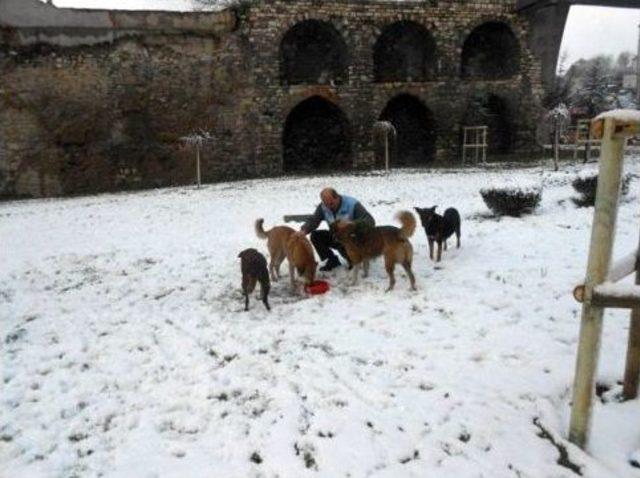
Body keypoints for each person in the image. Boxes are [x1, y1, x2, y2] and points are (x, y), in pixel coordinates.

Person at [294, 187, 375, 272]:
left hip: (352, 240)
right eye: (326, 204)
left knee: (354, 263)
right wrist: (304, 230)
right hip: (337, 237)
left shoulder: (352, 204)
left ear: (337, 197)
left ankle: (355, 259)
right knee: (315, 236)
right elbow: (314, 220)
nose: (329, 207)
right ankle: (332, 261)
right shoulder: (323, 206)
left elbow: (370, 221)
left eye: (331, 204)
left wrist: (352, 223)